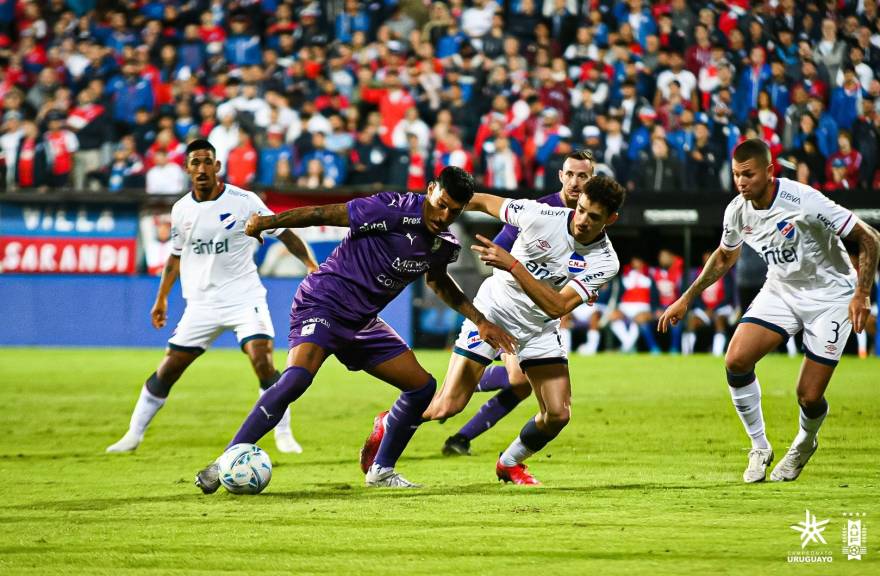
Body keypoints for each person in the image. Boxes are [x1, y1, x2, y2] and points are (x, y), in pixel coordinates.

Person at [195, 166, 516, 491]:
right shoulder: (391, 208)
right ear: (430, 188)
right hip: (325, 300)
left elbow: (437, 282)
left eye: (454, 211)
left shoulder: (443, 244)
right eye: (441, 203)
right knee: (296, 379)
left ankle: (381, 471)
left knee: (421, 387)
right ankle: (223, 462)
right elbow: (323, 213)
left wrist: (480, 320)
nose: (444, 215)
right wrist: (269, 221)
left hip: (362, 323)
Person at [658, 139, 880, 483]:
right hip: (781, 290)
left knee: (808, 395)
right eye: (735, 175)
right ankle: (759, 446)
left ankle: (805, 442)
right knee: (736, 360)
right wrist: (687, 297)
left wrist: (862, 294)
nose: (741, 182)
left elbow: (870, 237)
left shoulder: (804, 201)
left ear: (770, 172)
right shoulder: (737, 210)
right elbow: (725, 255)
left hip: (831, 296)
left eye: (748, 174)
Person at [401, 174, 625, 485]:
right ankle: (389, 422)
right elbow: (480, 201)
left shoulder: (605, 261)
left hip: (539, 327)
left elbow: (558, 308)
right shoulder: (541, 215)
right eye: (582, 209)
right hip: (494, 312)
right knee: (445, 407)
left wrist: (513, 265)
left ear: (611, 219)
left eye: (594, 216)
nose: (583, 220)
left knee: (558, 415)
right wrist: (430, 211)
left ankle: (508, 463)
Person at [107, 140, 318, 455]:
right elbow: (176, 256)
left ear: (217, 166)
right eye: (195, 163)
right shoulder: (181, 210)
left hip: (244, 298)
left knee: (262, 360)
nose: (202, 168)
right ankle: (133, 435)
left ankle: (283, 434)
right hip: (201, 304)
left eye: (207, 162)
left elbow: (283, 230)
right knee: (168, 369)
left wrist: (312, 266)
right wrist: (162, 298)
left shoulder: (244, 200)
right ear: (187, 168)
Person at [441, 150, 595, 458]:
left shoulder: (589, 219)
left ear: (593, 180)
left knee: (524, 386)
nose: (576, 182)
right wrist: (531, 280)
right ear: (560, 176)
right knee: (516, 379)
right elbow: (498, 252)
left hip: (538, 320)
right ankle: (456, 389)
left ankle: (460, 437)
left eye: (584, 176)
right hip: (505, 308)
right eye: (571, 174)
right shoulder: (540, 211)